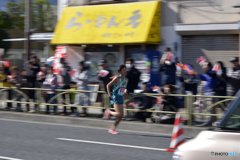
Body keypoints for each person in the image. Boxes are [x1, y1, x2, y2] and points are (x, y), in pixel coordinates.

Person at [104, 64, 128, 134]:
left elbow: (124, 89)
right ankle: (109, 112)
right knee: (118, 114)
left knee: (121, 116)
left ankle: (112, 128)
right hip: (115, 97)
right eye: (123, 70)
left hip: (121, 98)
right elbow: (108, 85)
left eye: (125, 69)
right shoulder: (117, 78)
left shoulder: (126, 80)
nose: (125, 71)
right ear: (120, 71)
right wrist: (109, 95)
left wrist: (125, 91)